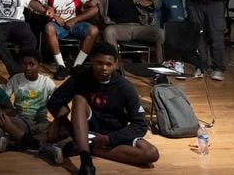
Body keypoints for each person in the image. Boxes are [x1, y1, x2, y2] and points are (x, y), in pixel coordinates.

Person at [46, 42, 160, 174]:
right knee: (79, 98)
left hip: (114, 132)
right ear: (92, 60)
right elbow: (54, 102)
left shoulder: (125, 87)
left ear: (116, 64)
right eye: (99, 63)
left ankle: (89, 148)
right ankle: (86, 160)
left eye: (109, 64)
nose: (104, 68)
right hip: (88, 128)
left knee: (151, 153)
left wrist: (109, 139)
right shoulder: (80, 78)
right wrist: (62, 121)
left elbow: (140, 124)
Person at [35, 0, 99, 80]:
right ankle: (61, 66)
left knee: (94, 30)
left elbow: (94, 8)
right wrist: (48, 9)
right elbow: (32, 2)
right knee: (49, 28)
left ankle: (77, 65)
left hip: (75, 24)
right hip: (57, 26)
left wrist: (75, 19)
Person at [0, 49, 61, 164]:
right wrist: (5, 111)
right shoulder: (16, 79)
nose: (27, 68)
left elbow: (58, 100)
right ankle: (45, 147)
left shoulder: (47, 82)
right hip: (20, 118)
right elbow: (3, 98)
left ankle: (17, 144)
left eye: (31, 64)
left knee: (61, 130)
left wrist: (57, 121)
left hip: (40, 120)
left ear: (39, 65)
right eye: (24, 64)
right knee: (3, 121)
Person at [94, 0, 164, 63]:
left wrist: (150, 2)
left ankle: (161, 66)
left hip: (139, 27)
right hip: (119, 28)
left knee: (160, 32)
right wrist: (90, 3)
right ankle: (115, 66)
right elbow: (91, 6)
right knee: (108, 31)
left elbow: (158, 2)